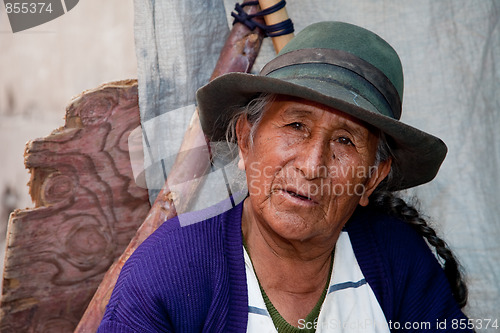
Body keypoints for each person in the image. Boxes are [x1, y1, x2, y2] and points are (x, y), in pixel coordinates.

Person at [98, 21, 471, 332]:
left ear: (372, 179)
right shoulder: (168, 273)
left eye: (344, 140)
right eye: (296, 125)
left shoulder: (396, 259)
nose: (311, 166)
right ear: (246, 141)